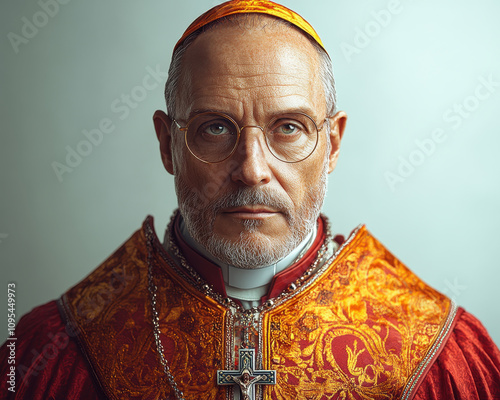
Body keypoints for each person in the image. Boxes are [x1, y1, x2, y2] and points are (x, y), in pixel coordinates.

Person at [1, 1, 500, 399]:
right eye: (215, 128)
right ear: (166, 143)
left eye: (289, 128)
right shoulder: (56, 348)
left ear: (333, 144)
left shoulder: (437, 351)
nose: (252, 170)